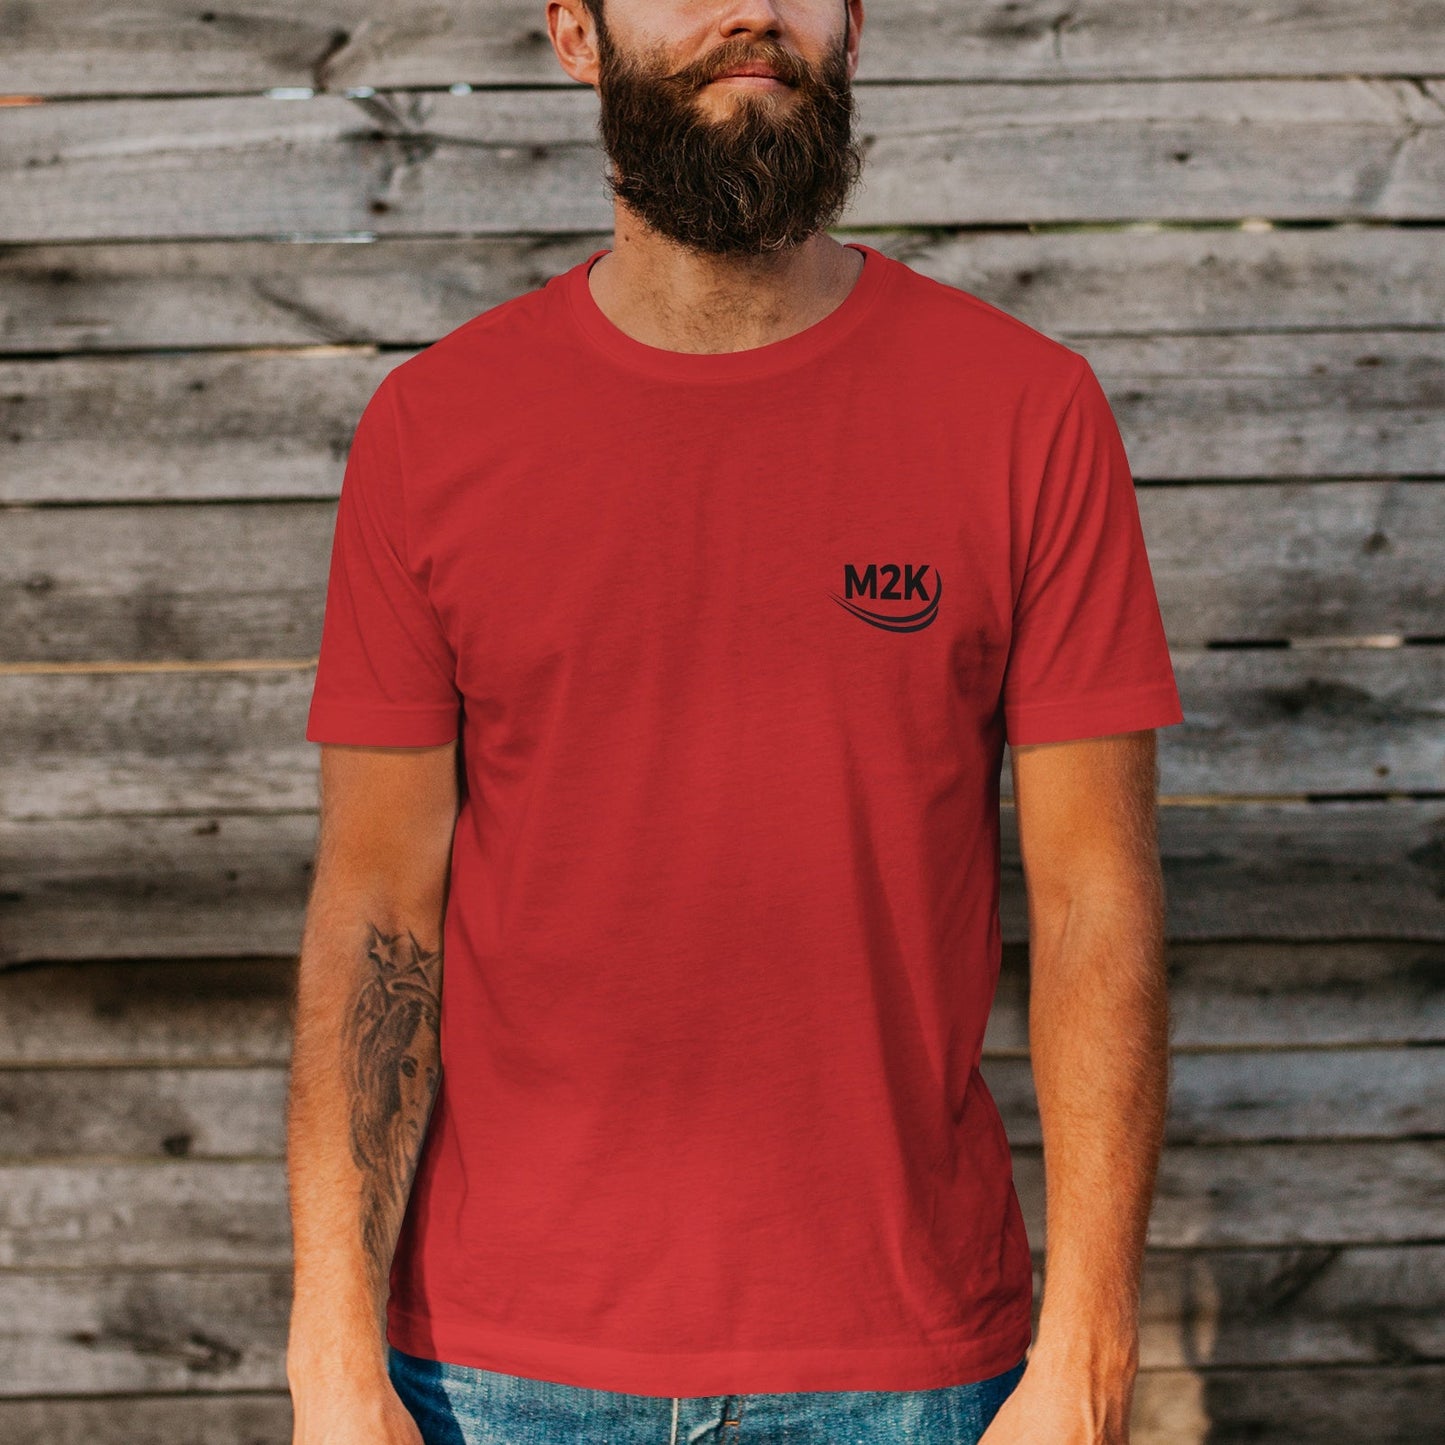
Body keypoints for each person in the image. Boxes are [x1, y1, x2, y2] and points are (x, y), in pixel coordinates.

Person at [285, 1, 1185, 1441]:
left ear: (854, 28)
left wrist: (1086, 1352)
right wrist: (330, 1351)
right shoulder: (434, 430)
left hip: (910, 1367)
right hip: (498, 1371)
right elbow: (379, 905)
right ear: (575, 34)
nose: (750, 7)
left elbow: (1096, 899)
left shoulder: (1025, 414)